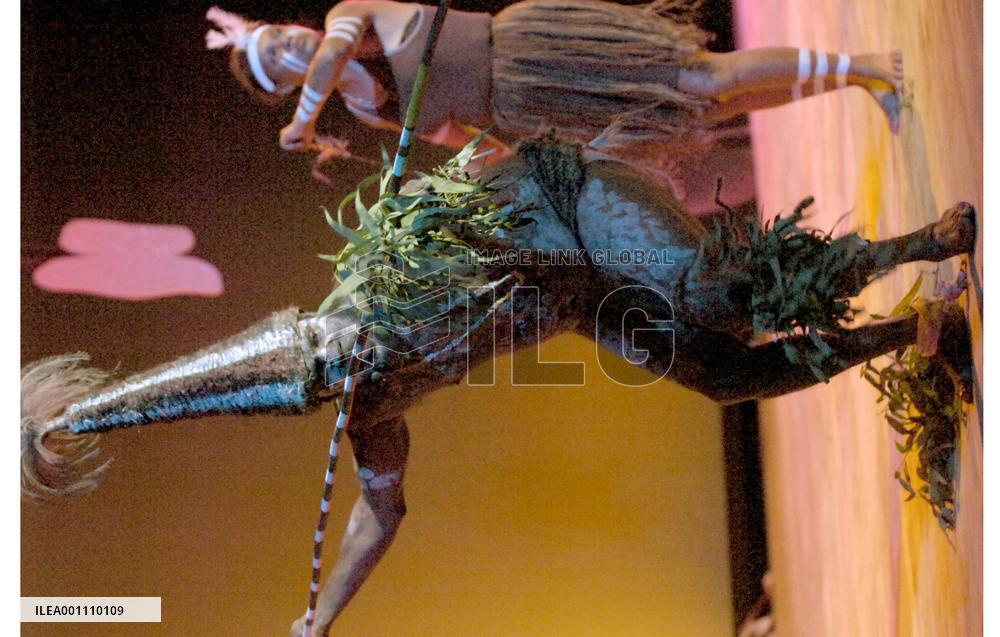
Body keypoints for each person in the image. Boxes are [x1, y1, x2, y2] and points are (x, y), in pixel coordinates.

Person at [22, 137, 972, 636]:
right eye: (323, 386)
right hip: (585, 299)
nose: (335, 373)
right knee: (723, 372)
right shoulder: (372, 409)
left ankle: (918, 245)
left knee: (713, 292)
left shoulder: (380, 277)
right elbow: (379, 516)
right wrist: (321, 616)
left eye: (324, 358)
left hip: (576, 209)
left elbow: (481, 187)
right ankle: (911, 332)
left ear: (312, 335)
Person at [205, 0, 904, 200]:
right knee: (705, 111)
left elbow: (330, 55)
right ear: (285, 83)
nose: (289, 48)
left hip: (535, 50)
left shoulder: (346, 21)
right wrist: (500, 170)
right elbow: (458, 135)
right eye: (277, 62)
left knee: (705, 78)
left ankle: (869, 65)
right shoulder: (365, 110)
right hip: (532, 109)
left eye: (276, 38)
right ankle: (854, 82)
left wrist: (301, 125)